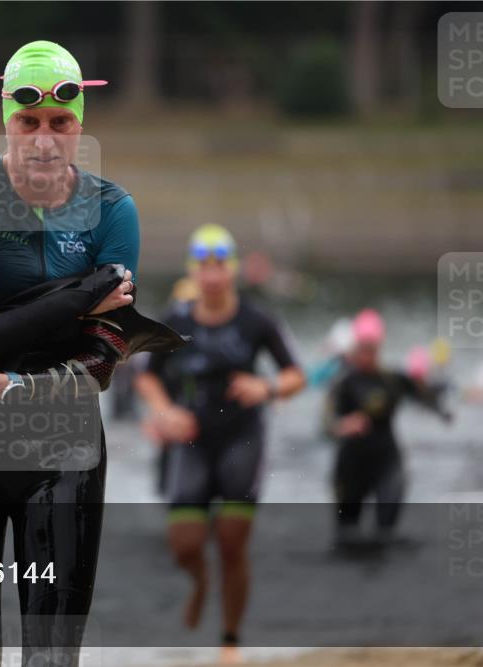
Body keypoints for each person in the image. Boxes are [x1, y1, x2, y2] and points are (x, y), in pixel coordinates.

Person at [0, 40, 180, 666]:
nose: (43, 140)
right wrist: (83, 293)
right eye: (27, 122)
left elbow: (106, 354)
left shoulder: (113, 210)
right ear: (6, 119)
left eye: (60, 123)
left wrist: (6, 386)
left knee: (53, 658)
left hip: (62, 443)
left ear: (80, 126)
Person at [134, 223, 305, 663]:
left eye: (220, 266)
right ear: (194, 271)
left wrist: (265, 388)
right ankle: (200, 582)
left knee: (232, 542)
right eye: (204, 267)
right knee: (185, 545)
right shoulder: (175, 321)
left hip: (241, 438)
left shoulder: (256, 320)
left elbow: (295, 376)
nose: (212, 276)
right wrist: (163, 412)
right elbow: (147, 376)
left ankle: (230, 639)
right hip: (191, 439)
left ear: (232, 270)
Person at [326, 308, 452, 547]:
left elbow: (424, 396)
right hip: (351, 467)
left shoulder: (393, 379)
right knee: (347, 537)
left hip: (387, 463)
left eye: (371, 349)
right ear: (354, 348)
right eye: (362, 349)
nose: (366, 355)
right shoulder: (344, 383)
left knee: (387, 536)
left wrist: (444, 413)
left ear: (379, 347)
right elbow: (326, 423)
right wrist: (343, 425)